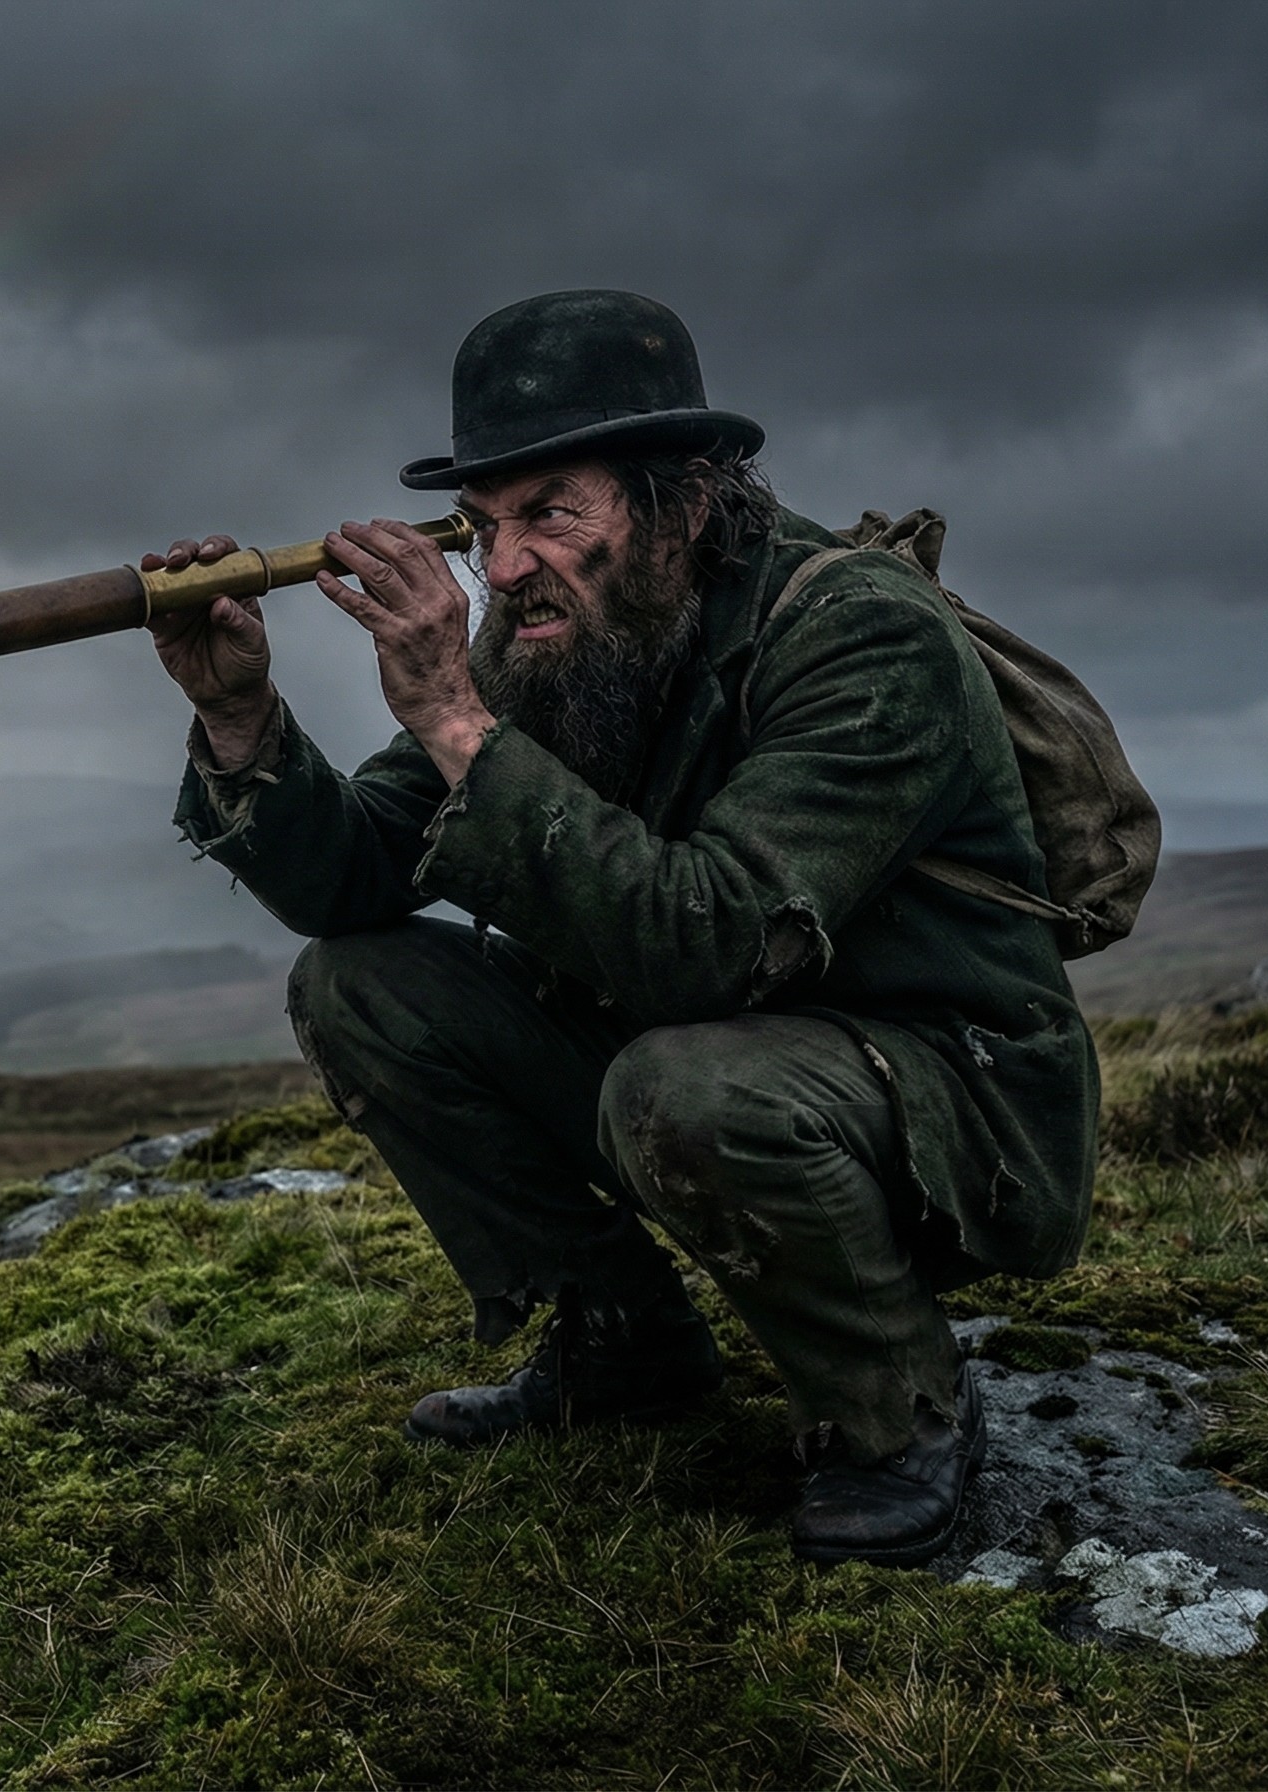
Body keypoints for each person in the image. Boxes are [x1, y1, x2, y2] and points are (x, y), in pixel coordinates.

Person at [148, 289, 1097, 1567]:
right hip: (715, 1053)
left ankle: (895, 1409)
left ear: (686, 501)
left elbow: (707, 942)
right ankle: (624, 1342)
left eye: (549, 514)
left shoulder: (863, 635)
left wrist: (451, 714)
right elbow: (356, 881)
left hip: (945, 1101)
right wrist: (241, 721)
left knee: (686, 1084)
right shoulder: (548, 641)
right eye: (483, 525)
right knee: (357, 982)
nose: (502, 566)